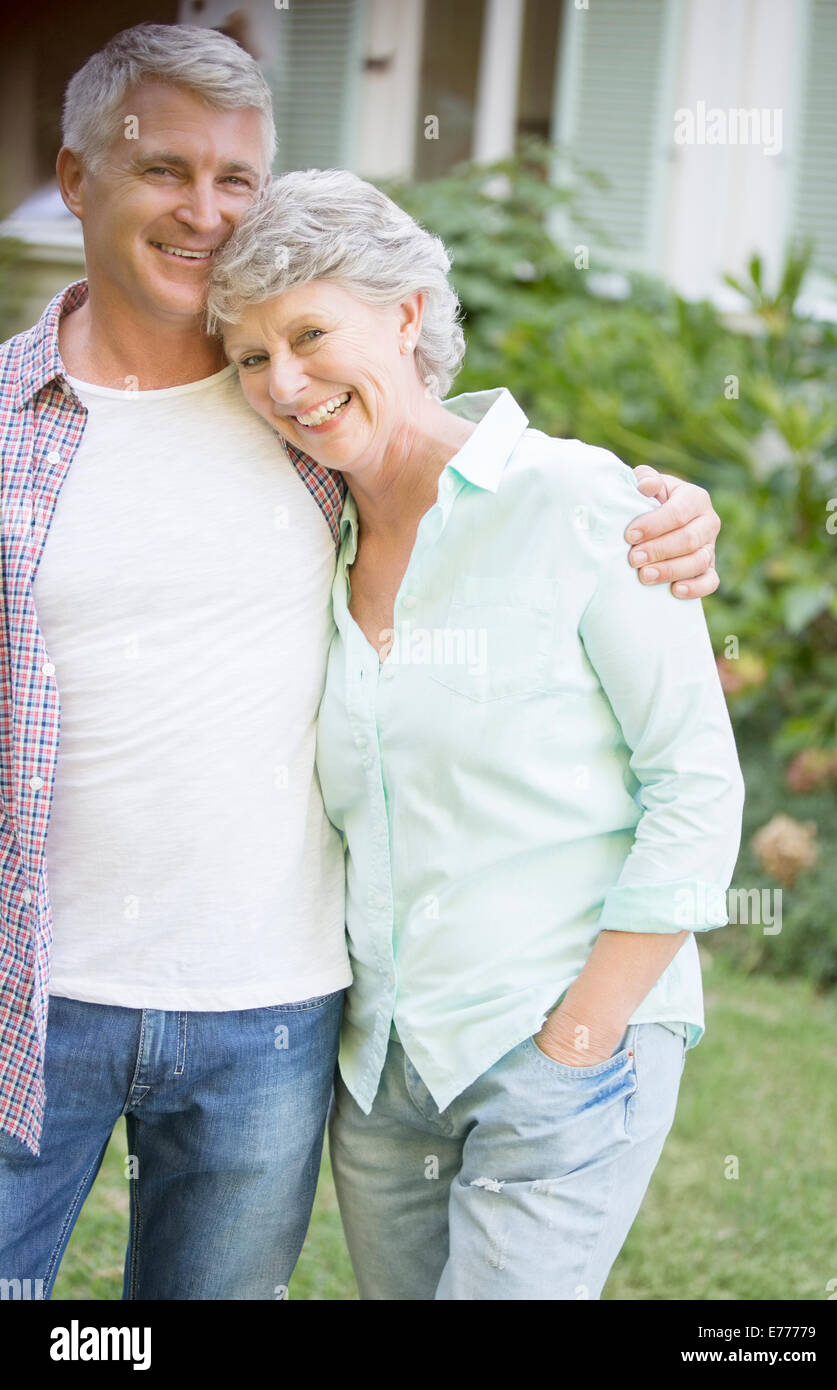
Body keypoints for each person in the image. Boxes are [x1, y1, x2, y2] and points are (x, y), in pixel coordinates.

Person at [0, 24, 722, 1301]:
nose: (206, 212)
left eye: (237, 180)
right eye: (165, 169)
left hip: (291, 1017)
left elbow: (680, 767)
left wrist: (668, 520)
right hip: (82, 1009)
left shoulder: (387, 449)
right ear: (75, 176)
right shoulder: (70, 430)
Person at [208, 167, 745, 1301]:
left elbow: (694, 788)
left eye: (310, 333)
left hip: (556, 1044)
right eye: (252, 356)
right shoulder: (305, 541)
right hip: (385, 1072)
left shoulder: (582, 506)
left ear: (405, 316)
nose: (285, 383)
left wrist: (580, 1041)